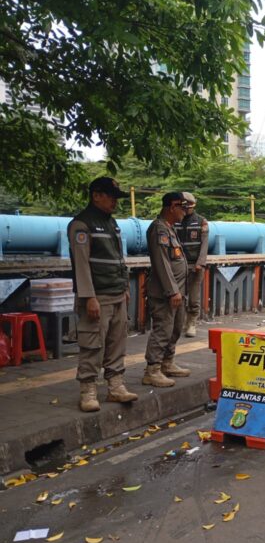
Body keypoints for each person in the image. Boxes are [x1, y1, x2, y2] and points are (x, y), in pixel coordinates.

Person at [68, 177, 138, 412]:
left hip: (116, 293)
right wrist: (89, 297)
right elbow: (81, 264)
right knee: (92, 344)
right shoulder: (82, 224)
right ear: (96, 195)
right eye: (110, 196)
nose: (114, 202)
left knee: (117, 342)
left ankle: (115, 386)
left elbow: (118, 258)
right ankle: (88, 390)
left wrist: (125, 287)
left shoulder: (111, 223)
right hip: (97, 296)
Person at [143, 192, 191, 387]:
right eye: (183, 208)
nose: (185, 212)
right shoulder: (159, 229)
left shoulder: (170, 229)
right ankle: (152, 370)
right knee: (163, 329)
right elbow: (162, 263)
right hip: (165, 293)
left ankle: (167, 362)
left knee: (176, 327)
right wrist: (172, 291)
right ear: (172, 206)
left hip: (177, 291)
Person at [174, 192, 208, 337]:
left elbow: (204, 245)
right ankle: (180, 323)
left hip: (195, 266)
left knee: (194, 298)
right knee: (179, 297)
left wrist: (200, 263)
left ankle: (191, 323)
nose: (186, 210)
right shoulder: (175, 221)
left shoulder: (201, 222)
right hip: (178, 266)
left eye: (188, 207)